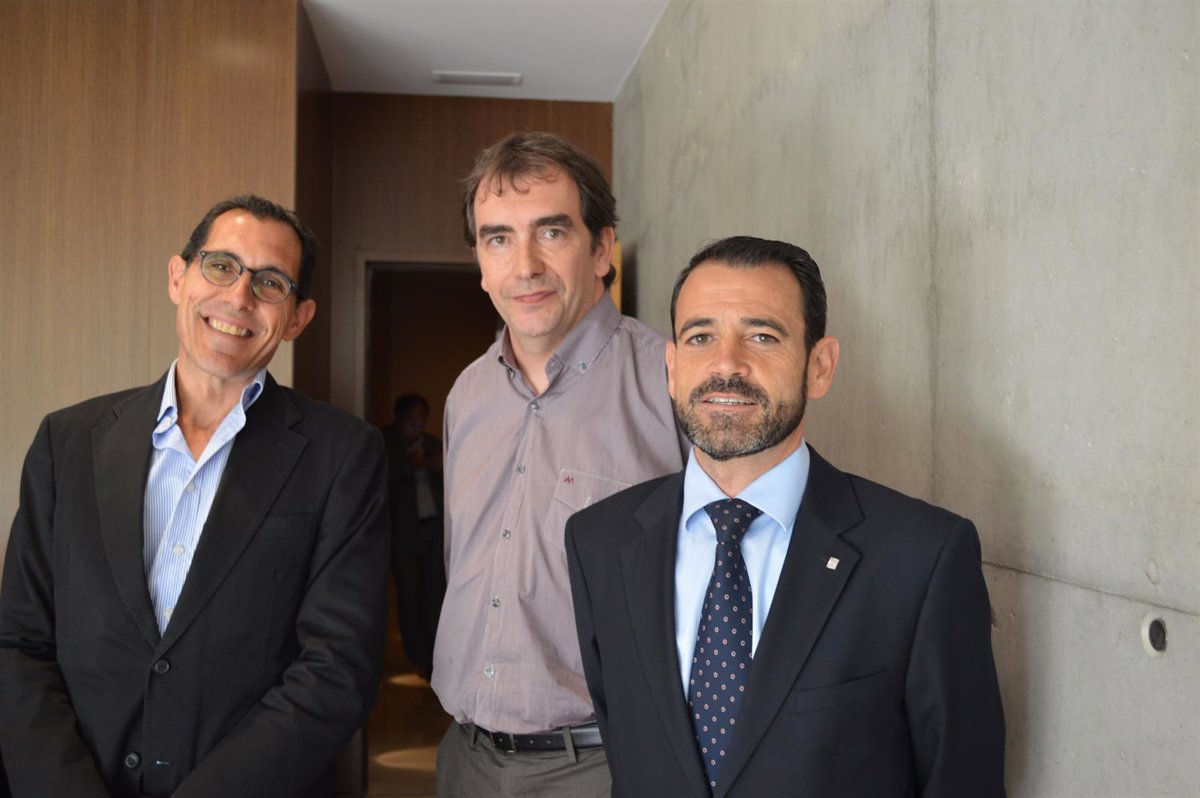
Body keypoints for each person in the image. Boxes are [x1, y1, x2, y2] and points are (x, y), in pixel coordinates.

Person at [566, 236, 1006, 797]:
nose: (727, 363)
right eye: (700, 337)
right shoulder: (599, 543)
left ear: (820, 366)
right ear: (672, 367)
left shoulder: (922, 558)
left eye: (762, 336)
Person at [0, 195, 390, 798]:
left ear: (297, 318)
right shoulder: (67, 442)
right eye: (221, 266)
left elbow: (336, 671)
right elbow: (19, 644)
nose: (239, 297)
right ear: (178, 278)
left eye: (270, 282)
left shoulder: (344, 456)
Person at [432, 131, 687, 795]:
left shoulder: (672, 383)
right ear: (480, 263)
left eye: (551, 232)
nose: (524, 266)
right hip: (464, 758)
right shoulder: (467, 394)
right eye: (498, 239)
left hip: (601, 766)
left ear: (602, 249)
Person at [381, 392, 444, 679]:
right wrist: (410, 466)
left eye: (421, 423)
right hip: (401, 532)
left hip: (433, 529)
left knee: (435, 593)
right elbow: (379, 484)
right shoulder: (383, 443)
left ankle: (436, 657)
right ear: (399, 419)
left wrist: (440, 468)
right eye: (411, 423)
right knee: (409, 595)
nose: (417, 430)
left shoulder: (432, 444)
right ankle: (418, 656)